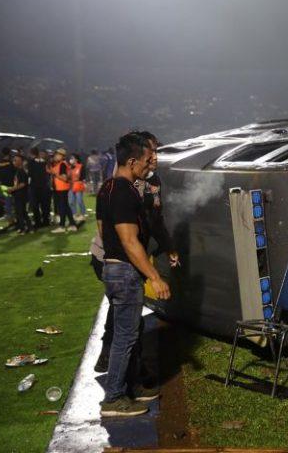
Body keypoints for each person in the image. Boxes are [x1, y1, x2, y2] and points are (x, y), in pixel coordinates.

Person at [97, 132, 171, 417]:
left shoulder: (106, 189)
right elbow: (130, 241)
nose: (148, 166)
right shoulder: (126, 191)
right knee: (126, 338)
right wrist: (154, 275)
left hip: (113, 268)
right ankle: (114, 398)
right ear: (131, 161)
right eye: (144, 160)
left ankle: (130, 389)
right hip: (125, 272)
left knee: (127, 335)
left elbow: (103, 231)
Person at [49, 148, 78, 233]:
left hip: (61, 188)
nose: (55, 156)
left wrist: (55, 174)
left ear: (62, 156)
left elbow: (64, 178)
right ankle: (72, 224)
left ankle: (62, 226)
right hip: (61, 188)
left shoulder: (62, 165)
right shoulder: (62, 164)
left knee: (62, 207)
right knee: (66, 207)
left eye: (57, 154)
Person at [27, 148, 52, 228]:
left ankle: (37, 222)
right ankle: (46, 221)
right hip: (44, 185)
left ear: (31, 153)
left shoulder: (30, 162)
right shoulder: (44, 162)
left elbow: (30, 174)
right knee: (44, 204)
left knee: (35, 205)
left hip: (34, 186)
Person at [9, 154, 32, 234]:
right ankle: (29, 227)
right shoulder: (18, 171)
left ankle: (23, 228)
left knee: (20, 212)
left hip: (21, 195)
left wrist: (13, 189)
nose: (14, 162)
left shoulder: (21, 171)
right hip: (18, 194)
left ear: (20, 162)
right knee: (22, 212)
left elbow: (23, 184)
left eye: (16, 160)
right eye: (14, 160)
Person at [0, 147, 16, 226]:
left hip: (1, 186)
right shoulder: (10, 163)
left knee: (7, 203)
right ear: (9, 153)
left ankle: (10, 219)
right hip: (10, 186)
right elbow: (15, 173)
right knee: (11, 203)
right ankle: (12, 220)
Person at [68, 154, 87, 221]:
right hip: (71, 185)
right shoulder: (69, 167)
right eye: (70, 158)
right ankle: (74, 214)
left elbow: (83, 176)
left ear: (76, 159)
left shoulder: (81, 166)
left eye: (72, 158)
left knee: (79, 200)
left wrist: (84, 183)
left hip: (78, 185)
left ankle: (83, 214)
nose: (71, 160)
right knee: (71, 202)